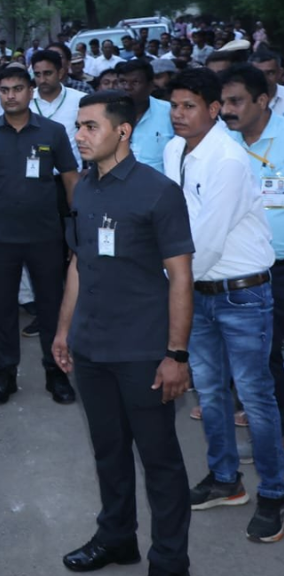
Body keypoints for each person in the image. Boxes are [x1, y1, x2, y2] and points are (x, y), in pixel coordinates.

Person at [52, 93, 195, 576]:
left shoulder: (158, 192)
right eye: (78, 126)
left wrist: (176, 354)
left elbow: (181, 277)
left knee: (160, 462)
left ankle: (170, 561)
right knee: (108, 451)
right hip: (91, 348)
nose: (79, 136)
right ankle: (117, 538)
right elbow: (80, 262)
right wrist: (64, 329)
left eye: (91, 127)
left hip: (142, 352)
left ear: (123, 131)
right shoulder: (84, 189)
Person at [162, 67, 284, 542]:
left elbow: (206, 242)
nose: (178, 115)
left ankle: (274, 493)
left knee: (255, 397)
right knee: (209, 392)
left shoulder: (229, 160)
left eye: (189, 106)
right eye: (174, 106)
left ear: (214, 110)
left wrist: (167, 285)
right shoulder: (174, 151)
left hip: (241, 293)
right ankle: (226, 479)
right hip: (198, 291)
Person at [0, 66, 80, 405]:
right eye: (4, 89)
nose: (11, 95)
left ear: (31, 91)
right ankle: (4, 375)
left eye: (17, 88)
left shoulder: (53, 132)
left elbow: (72, 180)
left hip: (45, 236)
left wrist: (76, 231)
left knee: (51, 307)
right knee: (2, 309)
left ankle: (56, 373)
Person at [220, 64, 284, 439]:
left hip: (280, 266)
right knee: (260, 361)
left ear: (263, 100)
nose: (227, 109)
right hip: (239, 270)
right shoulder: (220, 145)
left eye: (236, 101)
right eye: (223, 101)